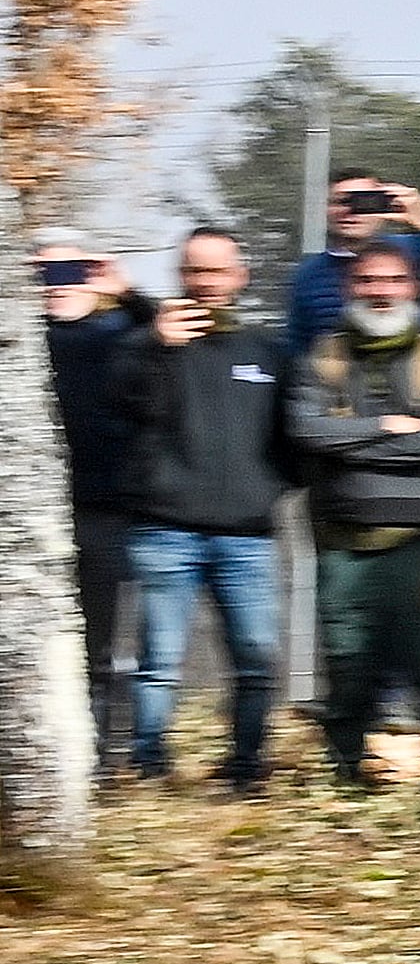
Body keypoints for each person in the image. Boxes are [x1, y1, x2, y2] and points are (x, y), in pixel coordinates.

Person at [287, 239, 420, 788]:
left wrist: (348, 442)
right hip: (342, 543)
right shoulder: (319, 358)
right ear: (350, 287)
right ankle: (348, 778)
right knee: (348, 666)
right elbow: (306, 432)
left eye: (393, 280)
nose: (380, 291)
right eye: (368, 281)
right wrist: (385, 428)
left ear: (414, 286)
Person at [122, 228, 292, 794]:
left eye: (218, 271)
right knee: (158, 661)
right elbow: (124, 403)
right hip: (166, 531)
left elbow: (293, 439)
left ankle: (247, 767)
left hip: (247, 536)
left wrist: (266, 490)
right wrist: (156, 346)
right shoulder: (148, 345)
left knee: (256, 658)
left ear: (239, 277)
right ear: (180, 276)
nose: (206, 282)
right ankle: (150, 767)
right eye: (196, 271)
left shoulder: (269, 353)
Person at [39, 237, 153, 779]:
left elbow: (176, 338)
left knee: (102, 641)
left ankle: (101, 754)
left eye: (72, 269)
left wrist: (127, 292)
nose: (58, 281)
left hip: (105, 510)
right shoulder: (21, 339)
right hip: (28, 518)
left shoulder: (122, 335)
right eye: (44, 271)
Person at [282, 170, 420, 360]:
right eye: (340, 202)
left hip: (413, 374)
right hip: (340, 379)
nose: (350, 210)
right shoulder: (308, 274)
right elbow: (298, 347)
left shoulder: (412, 250)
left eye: (363, 201)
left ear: (383, 205)